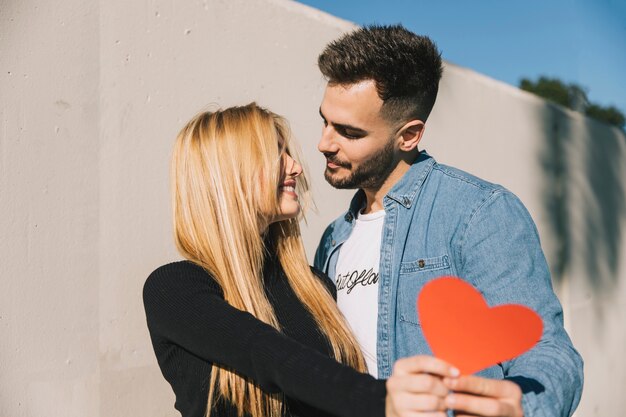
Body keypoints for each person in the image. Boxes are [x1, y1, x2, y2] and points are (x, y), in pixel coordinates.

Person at [314, 25, 584, 417]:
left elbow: (549, 352)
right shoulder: (334, 238)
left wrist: (523, 408)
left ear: (409, 136)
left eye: (348, 132)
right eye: (324, 121)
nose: (324, 142)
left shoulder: (478, 213)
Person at [143, 103, 461, 417]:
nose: (295, 167)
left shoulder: (314, 286)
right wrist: (384, 400)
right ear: (226, 173)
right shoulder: (175, 288)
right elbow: (266, 353)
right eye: (276, 154)